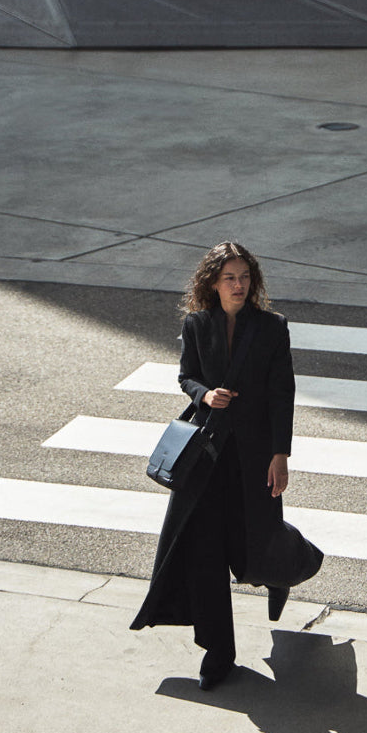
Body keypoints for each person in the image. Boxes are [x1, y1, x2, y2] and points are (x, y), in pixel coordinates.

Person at [131, 241, 323, 690]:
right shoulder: (197, 324)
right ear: (213, 283)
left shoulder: (272, 327)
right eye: (229, 278)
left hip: (254, 456)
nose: (239, 286)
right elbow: (186, 376)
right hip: (207, 457)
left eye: (244, 277)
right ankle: (219, 652)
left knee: (256, 544)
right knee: (205, 550)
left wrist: (280, 456)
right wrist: (205, 395)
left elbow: (282, 393)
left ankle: (289, 565)